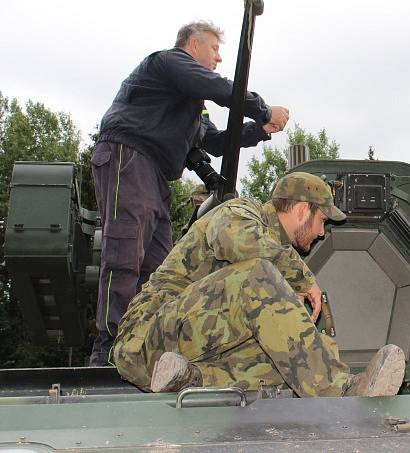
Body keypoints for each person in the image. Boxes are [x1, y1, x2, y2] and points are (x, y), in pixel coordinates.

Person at [89, 21, 290, 366]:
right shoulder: (168, 63)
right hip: (129, 157)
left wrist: (259, 129)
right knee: (124, 251)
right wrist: (262, 108)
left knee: (162, 268)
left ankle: (144, 346)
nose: (219, 58)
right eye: (214, 49)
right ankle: (107, 347)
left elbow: (214, 141)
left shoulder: (193, 104)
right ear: (194, 46)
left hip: (155, 175)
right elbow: (221, 87)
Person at [113, 172, 406, 397]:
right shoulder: (240, 211)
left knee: (289, 355)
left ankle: (192, 380)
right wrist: (303, 278)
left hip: (177, 357)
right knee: (257, 276)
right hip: (144, 339)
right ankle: (339, 392)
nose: (321, 232)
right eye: (322, 220)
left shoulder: (273, 255)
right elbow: (239, 242)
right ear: (303, 210)